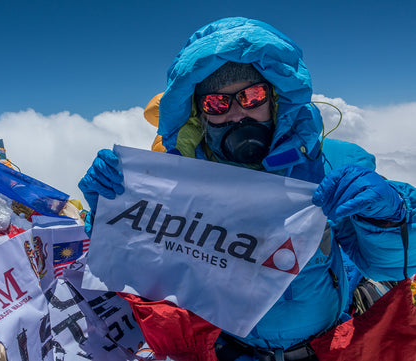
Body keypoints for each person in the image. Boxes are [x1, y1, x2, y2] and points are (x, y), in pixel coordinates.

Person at [78, 17, 416, 360]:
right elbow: (145, 268)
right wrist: (111, 211)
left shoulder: (332, 165)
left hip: (329, 346)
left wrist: (391, 217)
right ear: (199, 113)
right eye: (216, 103)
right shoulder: (181, 182)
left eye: (252, 96)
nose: (238, 113)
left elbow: (393, 265)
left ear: (276, 98)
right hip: (235, 351)